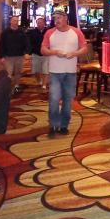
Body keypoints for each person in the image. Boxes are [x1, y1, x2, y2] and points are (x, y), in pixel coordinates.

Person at [41, 8, 87, 137]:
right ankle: (53, 125)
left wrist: (74, 53)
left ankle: (64, 125)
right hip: (55, 72)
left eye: (59, 18)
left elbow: (84, 48)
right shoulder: (50, 32)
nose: (56, 20)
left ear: (66, 18)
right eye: (54, 18)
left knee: (67, 100)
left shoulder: (76, 32)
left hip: (70, 72)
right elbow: (43, 50)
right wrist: (55, 52)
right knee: (54, 99)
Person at [0, 16, 29, 93]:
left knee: (18, 72)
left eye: (17, 21)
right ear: (10, 21)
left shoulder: (21, 32)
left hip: (19, 56)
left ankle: (16, 86)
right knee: (9, 73)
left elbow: (27, 43)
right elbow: (1, 45)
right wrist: (1, 56)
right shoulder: (5, 32)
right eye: (14, 20)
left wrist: (26, 52)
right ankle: (8, 88)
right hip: (9, 57)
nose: (16, 22)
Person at [27, 17, 49, 90]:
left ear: (44, 23)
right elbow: (29, 42)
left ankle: (44, 84)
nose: (40, 24)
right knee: (36, 71)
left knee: (45, 70)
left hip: (46, 54)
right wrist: (30, 51)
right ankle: (40, 81)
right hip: (36, 54)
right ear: (36, 24)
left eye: (41, 22)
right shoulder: (32, 32)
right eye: (38, 23)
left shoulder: (48, 32)